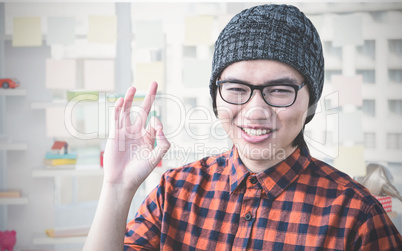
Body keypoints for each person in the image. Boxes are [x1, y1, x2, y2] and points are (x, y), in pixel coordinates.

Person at [84, 4, 402, 250]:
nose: (256, 111)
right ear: (216, 96)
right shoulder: (175, 193)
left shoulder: (357, 216)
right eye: (237, 89)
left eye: (279, 90)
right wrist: (116, 188)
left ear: (311, 101)